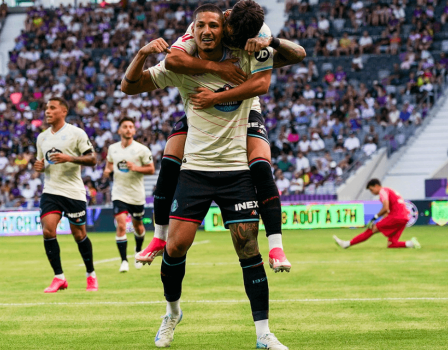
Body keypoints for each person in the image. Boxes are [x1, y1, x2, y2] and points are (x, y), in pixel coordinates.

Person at [122, 5, 287, 349]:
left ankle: (263, 334)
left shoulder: (246, 55)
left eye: (213, 24)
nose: (207, 30)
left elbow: (282, 65)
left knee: (247, 250)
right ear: (192, 30)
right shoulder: (181, 64)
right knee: (176, 246)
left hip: (235, 171)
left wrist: (266, 40)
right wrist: (140, 54)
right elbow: (130, 86)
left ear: (224, 28)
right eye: (201, 25)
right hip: (196, 171)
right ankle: (172, 313)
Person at [136, 0, 306, 274]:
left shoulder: (258, 32)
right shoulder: (202, 26)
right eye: (232, 35)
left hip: (244, 109)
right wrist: (218, 69)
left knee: (261, 165)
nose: (234, 41)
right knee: (170, 160)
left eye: (242, 39)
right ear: (226, 19)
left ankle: (276, 246)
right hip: (202, 109)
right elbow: (173, 60)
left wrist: (269, 42)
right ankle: (158, 237)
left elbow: (293, 58)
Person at [33, 97, 98, 293]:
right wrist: (40, 167)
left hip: (73, 192)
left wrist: (69, 158)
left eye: (52, 108)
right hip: (51, 191)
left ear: (63, 111)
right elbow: (43, 164)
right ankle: (59, 277)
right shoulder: (42, 138)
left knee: (79, 235)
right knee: (47, 230)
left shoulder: (76, 133)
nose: (47, 111)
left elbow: (93, 159)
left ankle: (90, 274)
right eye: (46, 108)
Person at [103, 116, 155, 272]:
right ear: (119, 130)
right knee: (121, 225)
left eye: (131, 126)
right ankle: (124, 261)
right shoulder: (113, 148)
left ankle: (138, 251)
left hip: (136, 194)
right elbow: (110, 164)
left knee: (138, 226)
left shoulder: (142, 150)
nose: (128, 129)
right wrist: (107, 171)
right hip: (119, 193)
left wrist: (136, 168)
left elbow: (151, 169)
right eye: (125, 126)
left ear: (134, 130)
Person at [334, 179, 421, 249]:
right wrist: (381, 222)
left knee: (371, 229)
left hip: (396, 217)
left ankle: (346, 244)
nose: (372, 193)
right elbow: (387, 211)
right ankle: (411, 243)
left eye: (372, 190)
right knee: (391, 244)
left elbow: (385, 207)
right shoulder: (390, 190)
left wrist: (374, 219)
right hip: (404, 218)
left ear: (376, 186)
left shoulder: (383, 191)